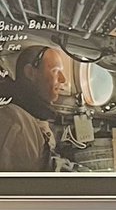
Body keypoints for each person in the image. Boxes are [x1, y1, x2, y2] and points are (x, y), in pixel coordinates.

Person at [0, 44, 69, 172]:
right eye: (55, 71)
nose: (63, 79)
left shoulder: (35, 120)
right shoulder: (14, 121)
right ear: (30, 73)